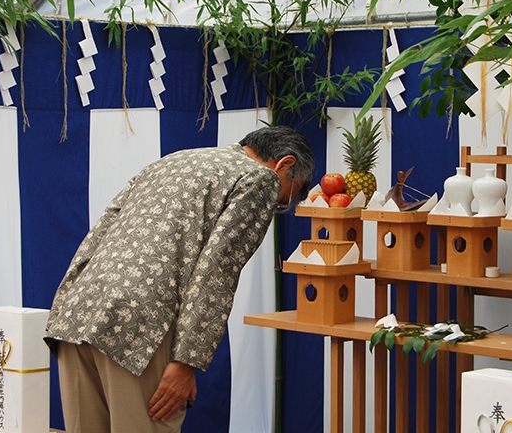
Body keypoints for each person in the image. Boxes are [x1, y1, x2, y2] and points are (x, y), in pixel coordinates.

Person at [44, 125, 314, 433]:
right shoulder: (260, 177)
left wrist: (65, 305)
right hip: (138, 326)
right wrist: (187, 362)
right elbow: (217, 270)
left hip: (77, 312)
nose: (278, 204)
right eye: (285, 199)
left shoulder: (174, 160)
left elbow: (100, 233)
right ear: (285, 164)